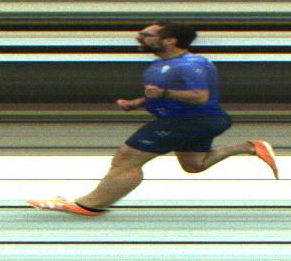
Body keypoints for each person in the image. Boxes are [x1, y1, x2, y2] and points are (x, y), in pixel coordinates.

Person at [29, 21, 278, 216]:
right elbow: (161, 95)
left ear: (169, 40)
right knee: (194, 165)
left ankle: (89, 205)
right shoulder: (158, 65)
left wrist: (163, 94)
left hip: (190, 120)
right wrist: (138, 103)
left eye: (147, 35)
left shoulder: (191, 64)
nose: (140, 38)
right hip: (191, 121)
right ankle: (250, 147)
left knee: (127, 158)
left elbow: (200, 96)